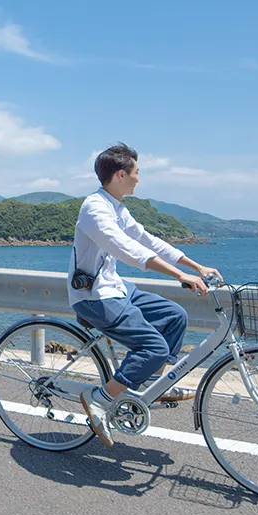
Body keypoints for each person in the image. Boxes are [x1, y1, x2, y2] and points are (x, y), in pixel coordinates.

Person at [71, 143, 222, 448]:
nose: (139, 179)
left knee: (175, 316)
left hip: (117, 289)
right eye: (136, 173)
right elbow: (127, 249)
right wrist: (179, 276)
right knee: (153, 347)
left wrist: (195, 265)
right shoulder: (95, 209)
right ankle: (99, 398)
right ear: (120, 174)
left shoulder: (118, 208)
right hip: (94, 298)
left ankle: (153, 383)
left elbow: (147, 240)